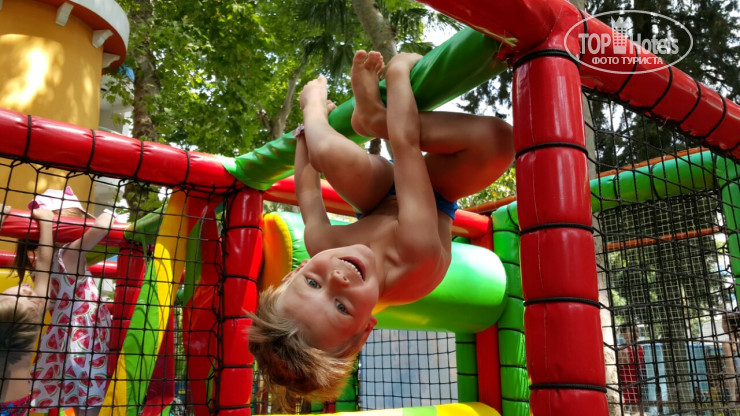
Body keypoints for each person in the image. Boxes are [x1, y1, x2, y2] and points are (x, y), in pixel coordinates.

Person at [248, 49, 514, 405]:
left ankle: (348, 113)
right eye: (341, 306)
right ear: (364, 329)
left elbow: (308, 191)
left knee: (324, 151)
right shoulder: (415, 254)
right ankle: (375, 118)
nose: (337, 279)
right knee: (499, 141)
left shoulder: (323, 247)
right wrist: (399, 73)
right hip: (434, 196)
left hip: (378, 199)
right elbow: (405, 145)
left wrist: (306, 123)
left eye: (312, 283)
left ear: (297, 271)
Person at [19, 187, 115, 416]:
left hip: (65, 339)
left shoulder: (42, 264)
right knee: (91, 402)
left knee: (80, 397)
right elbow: (103, 225)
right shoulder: (70, 253)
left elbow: (45, 260)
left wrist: (45, 225)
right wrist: (110, 213)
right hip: (87, 339)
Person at [1, 205, 54, 416]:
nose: (27, 288)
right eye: (28, 294)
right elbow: (44, 264)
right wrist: (47, 223)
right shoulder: (33, 320)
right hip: (17, 406)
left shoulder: (32, 314)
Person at [618, 323, 644, 415]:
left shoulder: (639, 347)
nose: (635, 333)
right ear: (624, 334)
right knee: (624, 408)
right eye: (631, 331)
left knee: (634, 409)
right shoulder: (623, 348)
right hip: (627, 383)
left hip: (635, 382)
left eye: (636, 330)